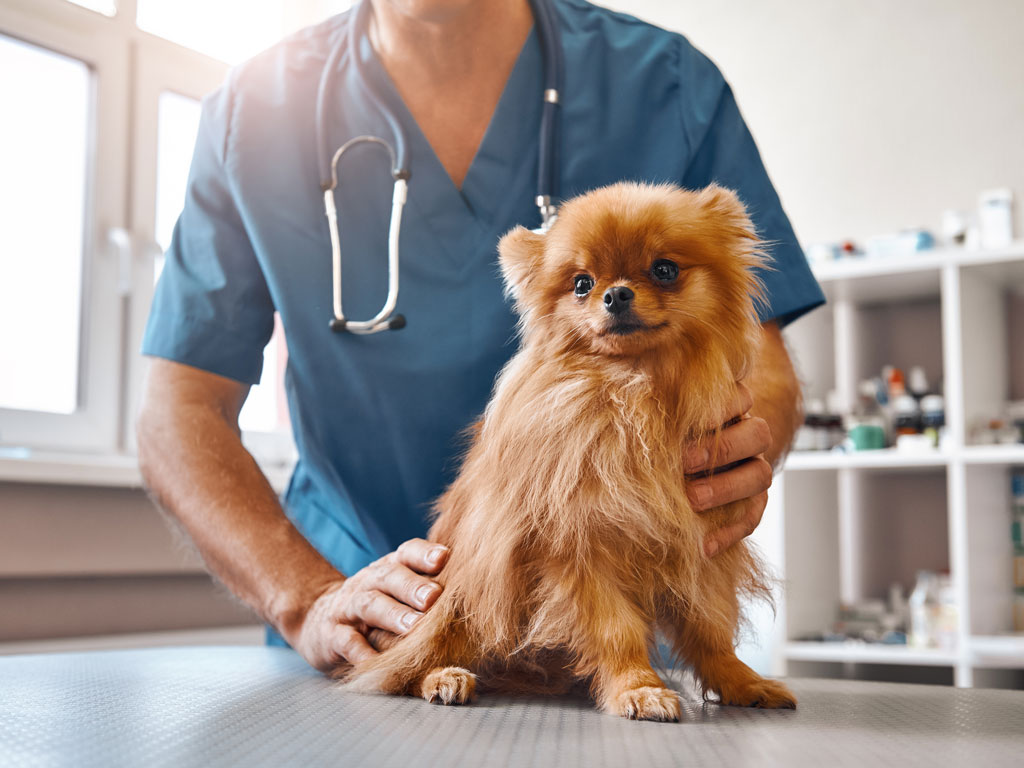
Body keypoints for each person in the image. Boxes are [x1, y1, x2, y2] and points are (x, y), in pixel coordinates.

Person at [136, 0, 824, 675]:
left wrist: (727, 452)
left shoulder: (664, 83)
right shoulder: (254, 108)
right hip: (358, 620)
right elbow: (179, 412)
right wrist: (308, 598)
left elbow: (759, 359)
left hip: (626, 623)